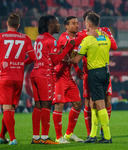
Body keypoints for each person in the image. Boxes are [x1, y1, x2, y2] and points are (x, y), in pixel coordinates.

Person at [26, 15, 74, 144]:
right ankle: (45, 137)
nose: (59, 25)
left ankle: (36, 138)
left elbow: (44, 54)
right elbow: (55, 61)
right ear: (51, 25)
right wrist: (68, 48)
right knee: (46, 105)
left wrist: (59, 50)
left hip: (35, 73)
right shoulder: (51, 40)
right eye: (57, 23)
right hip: (45, 75)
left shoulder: (39, 38)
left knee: (38, 106)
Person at [0, 13, 36, 145]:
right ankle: (1, 136)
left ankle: (12, 139)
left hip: (5, 77)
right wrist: (22, 63)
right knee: (10, 109)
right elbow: (33, 58)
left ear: (6, 23)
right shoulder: (25, 38)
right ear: (18, 25)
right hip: (18, 78)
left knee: (6, 109)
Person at [70, 13, 112, 143]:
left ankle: (107, 136)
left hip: (94, 73)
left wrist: (66, 59)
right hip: (106, 72)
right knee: (93, 103)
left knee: (99, 104)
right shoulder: (105, 37)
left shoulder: (87, 40)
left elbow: (77, 59)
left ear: (88, 24)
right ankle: (92, 135)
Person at [79, 10, 117, 138]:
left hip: (99, 70)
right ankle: (91, 133)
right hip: (89, 72)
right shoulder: (82, 34)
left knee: (106, 101)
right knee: (90, 103)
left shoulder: (104, 31)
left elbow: (115, 46)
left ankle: (103, 132)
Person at [52, 16, 84, 144]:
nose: (76, 25)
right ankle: (58, 137)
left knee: (77, 103)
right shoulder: (63, 38)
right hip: (59, 76)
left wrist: (77, 69)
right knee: (59, 105)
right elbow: (61, 55)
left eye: (77, 23)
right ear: (66, 26)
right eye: (73, 23)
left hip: (68, 77)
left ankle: (69, 133)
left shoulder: (75, 39)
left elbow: (72, 57)